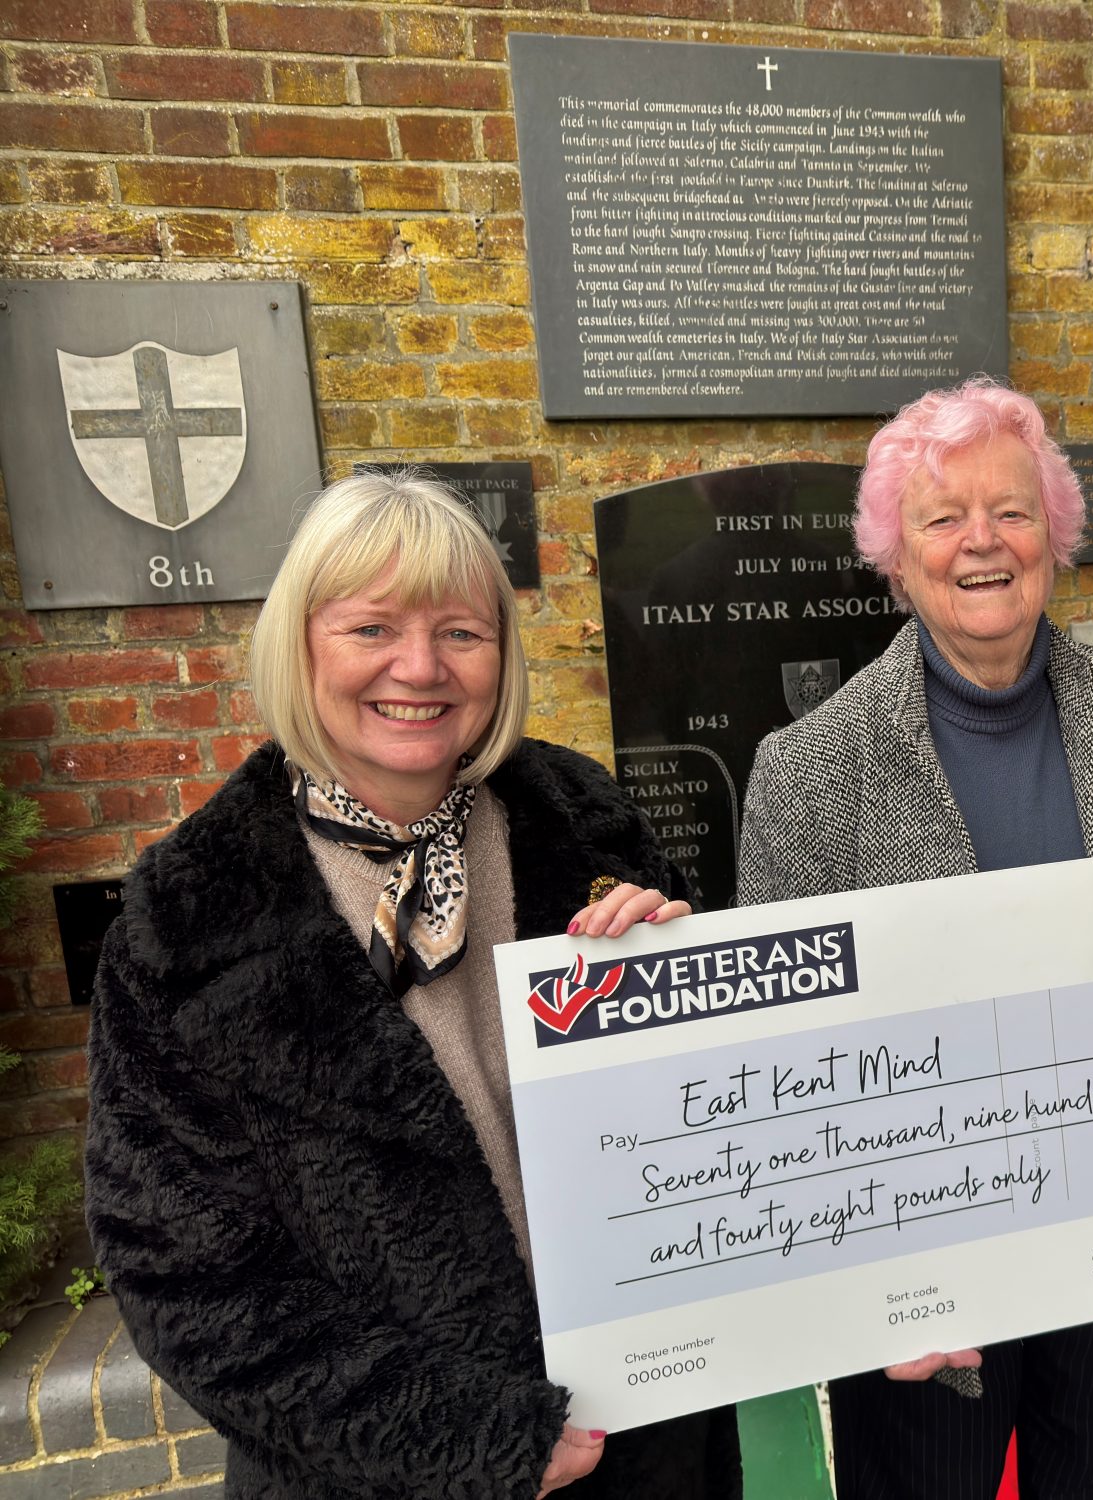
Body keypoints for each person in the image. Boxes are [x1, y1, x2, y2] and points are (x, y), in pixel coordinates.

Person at [85, 472, 738, 1499]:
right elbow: (187, 1280)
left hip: (647, 1446)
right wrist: (469, 1440)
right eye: (372, 628)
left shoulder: (593, 826)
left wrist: (690, 984)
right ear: (301, 645)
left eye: (461, 633)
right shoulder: (184, 923)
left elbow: (725, 1132)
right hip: (386, 1477)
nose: (421, 667)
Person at [736, 378, 1093, 1500]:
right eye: (943, 517)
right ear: (896, 554)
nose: (982, 540)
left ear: (1053, 535)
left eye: (1011, 511)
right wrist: (857, 1288)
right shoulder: (808, 769)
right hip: (919, 1293)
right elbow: (786, 1067)